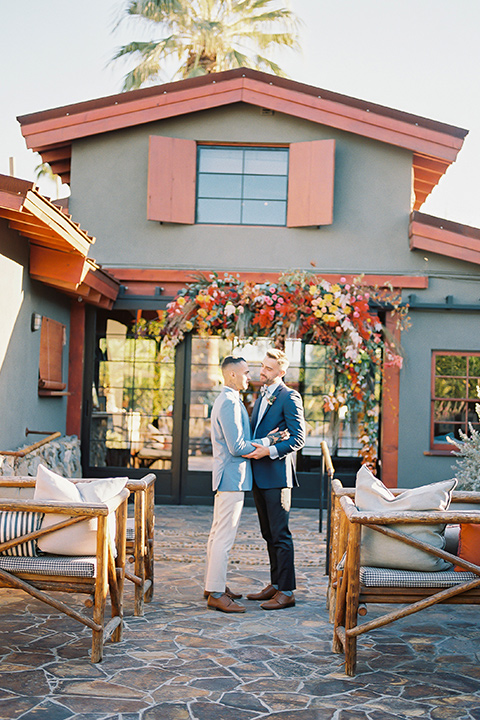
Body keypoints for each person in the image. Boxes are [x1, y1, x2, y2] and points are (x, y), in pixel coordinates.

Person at [204, 355, 285, 613]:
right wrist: (269, 443)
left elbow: (242, 438)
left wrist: (265, 437)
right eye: (245, 372)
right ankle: (216, 594)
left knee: (218, 534)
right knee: (223, 538)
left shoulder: (230, 400)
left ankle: (213, 585)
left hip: (230, 477)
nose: (249, 377)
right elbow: (237, 446)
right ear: (231, 375)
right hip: (231, 478)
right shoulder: (228, 402)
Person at [243, 348, 305, 610]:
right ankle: (276, 584)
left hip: (278, 477)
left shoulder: (289, 396)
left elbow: (298, 438)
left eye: (268, 368)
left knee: (280, 535)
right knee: (268, 533)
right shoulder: (261, 395)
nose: (262, 371)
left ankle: (287, 591)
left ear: (281, 372)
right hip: (259, 476)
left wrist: (269, 450)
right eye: (262, 366)